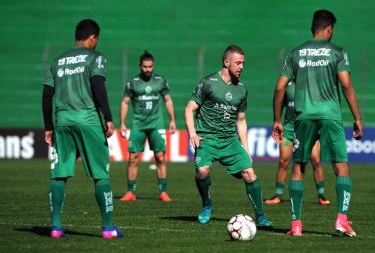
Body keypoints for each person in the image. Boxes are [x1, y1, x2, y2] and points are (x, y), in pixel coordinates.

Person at [272, 10, 364, 237]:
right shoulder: (337, 52)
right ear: (330, 28)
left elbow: (280, 87)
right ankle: (341, 219)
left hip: (303, 116)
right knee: (340, 165)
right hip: (331, 115)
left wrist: (277, 120)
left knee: (298, 166)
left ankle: (296, 225)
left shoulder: (296, 53)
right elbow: (346, 85)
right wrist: (357, 117)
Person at [42, 19, 123, 239]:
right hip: (88, 120)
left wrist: (48, 126)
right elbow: (98, 84)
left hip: (62, 121)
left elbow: (47, 94)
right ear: (93, 38)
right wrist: (107, 117)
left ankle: (56, 227)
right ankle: (108, 228)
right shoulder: (96, 57)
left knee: (59, 176)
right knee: (100, 175)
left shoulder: (57, 61)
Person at [184, 45, 272, 226]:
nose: (241, 67)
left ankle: (261, 216)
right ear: (226, 62)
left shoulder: (242, 89)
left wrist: (246, 149)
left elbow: (241, 120)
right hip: (207, 138)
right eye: (238, 63)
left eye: (243, 63)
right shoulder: (207, 82)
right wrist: (193, 134)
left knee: (249, 173)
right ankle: (207, 206)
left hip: (229, 140)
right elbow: (189, 109)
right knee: (202, 171)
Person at [119, 51, 176, 202]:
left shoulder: (160, 81)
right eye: (145, 67)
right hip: (138, 124)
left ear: (153, 65)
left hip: (156, 124)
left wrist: (172, 120)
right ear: (140, 66)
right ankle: (131, 192)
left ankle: (163, 192)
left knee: (160, 157)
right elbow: (125, 102)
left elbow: (168, 100)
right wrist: (123, 123)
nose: (148, 69)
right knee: (133, 158)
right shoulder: (132, 82)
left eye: (150, 66)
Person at [265, 80, 331, 205]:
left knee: (316, 160)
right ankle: (278, 195)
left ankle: (322, 195)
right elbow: (279, 104)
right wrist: (277, 121)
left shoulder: (313, 84)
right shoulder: (287, 85)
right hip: (289, 130)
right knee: (283, 160)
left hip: (309, 130)